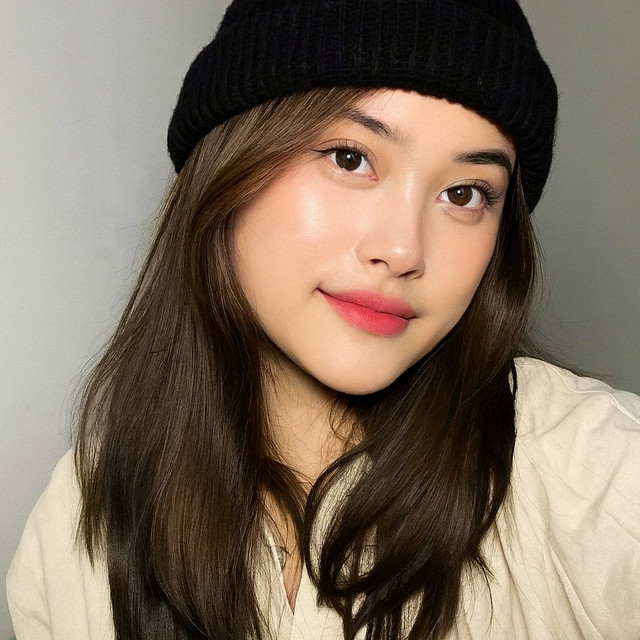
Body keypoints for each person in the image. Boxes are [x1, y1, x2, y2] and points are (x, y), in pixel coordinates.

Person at [7, 0, 640, 638]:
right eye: (349, 158)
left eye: (464, 193)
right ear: (228, 165)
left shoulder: (593, 474)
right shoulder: (81, 517)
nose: (403, 250)